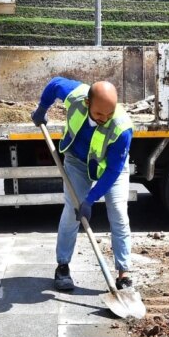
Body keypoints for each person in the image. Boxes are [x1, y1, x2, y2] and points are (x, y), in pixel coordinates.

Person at [31, 77, 134, 292]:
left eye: (109, 114)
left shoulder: (122, 129)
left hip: (108, 167)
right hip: (77, 161)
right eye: (99, 114)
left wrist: (92, 198)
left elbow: (114, 170)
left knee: (118, 211)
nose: (105, 119)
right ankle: (63, 267)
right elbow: (54, 84)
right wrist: (42, 109)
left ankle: (123, 274)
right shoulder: (77, 96)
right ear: (88, 104)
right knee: (72, 210)